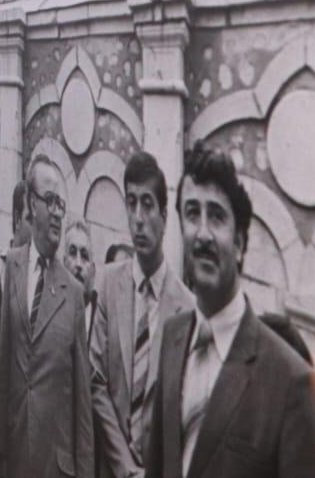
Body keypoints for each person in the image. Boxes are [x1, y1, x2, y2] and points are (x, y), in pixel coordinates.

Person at [146, 142, 315, 478]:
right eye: (192, 213)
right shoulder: (173, 338)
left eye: (216, 216)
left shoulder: (293, 384)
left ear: (240, 243)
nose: (202, 234)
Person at [91, 152, 193, 478]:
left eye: (147, 205)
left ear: (164, 216)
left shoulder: (187, 307)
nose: (138, 218)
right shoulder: (108, 283)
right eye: (131, 203)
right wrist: (125, 468)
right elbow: (96, 383)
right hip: (111, 468)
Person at [0, 154, 93, 478]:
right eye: (49, 200)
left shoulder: (73, 293)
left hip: (56, 467)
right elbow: (4, 363)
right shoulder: (13, 265)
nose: (56, 212)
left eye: (60, 204)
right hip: (16, 457)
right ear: (30, 203)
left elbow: (82, 405)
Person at [64, 221, 97, 343]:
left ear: (93, 270)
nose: (78, 264)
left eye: (84, 256)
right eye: (73, 253)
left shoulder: (104, 319)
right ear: (63, 263)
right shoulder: (48, 310)